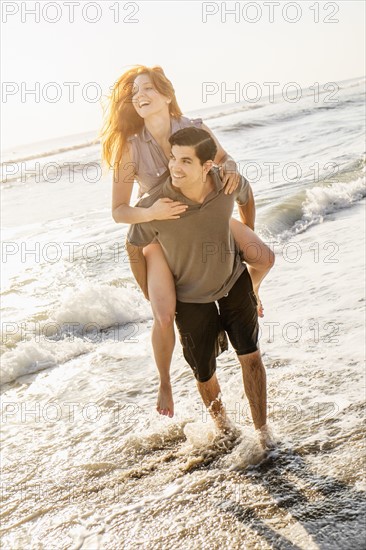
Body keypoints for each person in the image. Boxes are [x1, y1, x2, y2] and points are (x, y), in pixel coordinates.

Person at [101, 65, 274, 419]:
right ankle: (164, 381)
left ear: (166, 94)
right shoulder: (130, 149)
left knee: (264, 257)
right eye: (134, 93)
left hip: (207, 217)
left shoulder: (192, 128)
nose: (140, 96)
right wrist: (152, 214)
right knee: (164, 314)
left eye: (147, 88)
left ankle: (251, 290)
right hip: (161, 228)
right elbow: (120, 212)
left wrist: (231, 176)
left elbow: (227, 163)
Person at [126, 127, 272, 449]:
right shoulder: (157, 205)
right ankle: (225, 430)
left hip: (233, 280)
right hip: (191, 300)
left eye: (185, 161)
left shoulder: (226, 183)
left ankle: (263, 435)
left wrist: (247, 231)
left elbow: (247, 198)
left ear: (207, 166)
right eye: (172, 158)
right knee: (204, 373)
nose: (175, 167)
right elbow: (133, 245)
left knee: (251, 356)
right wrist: (146, 289)